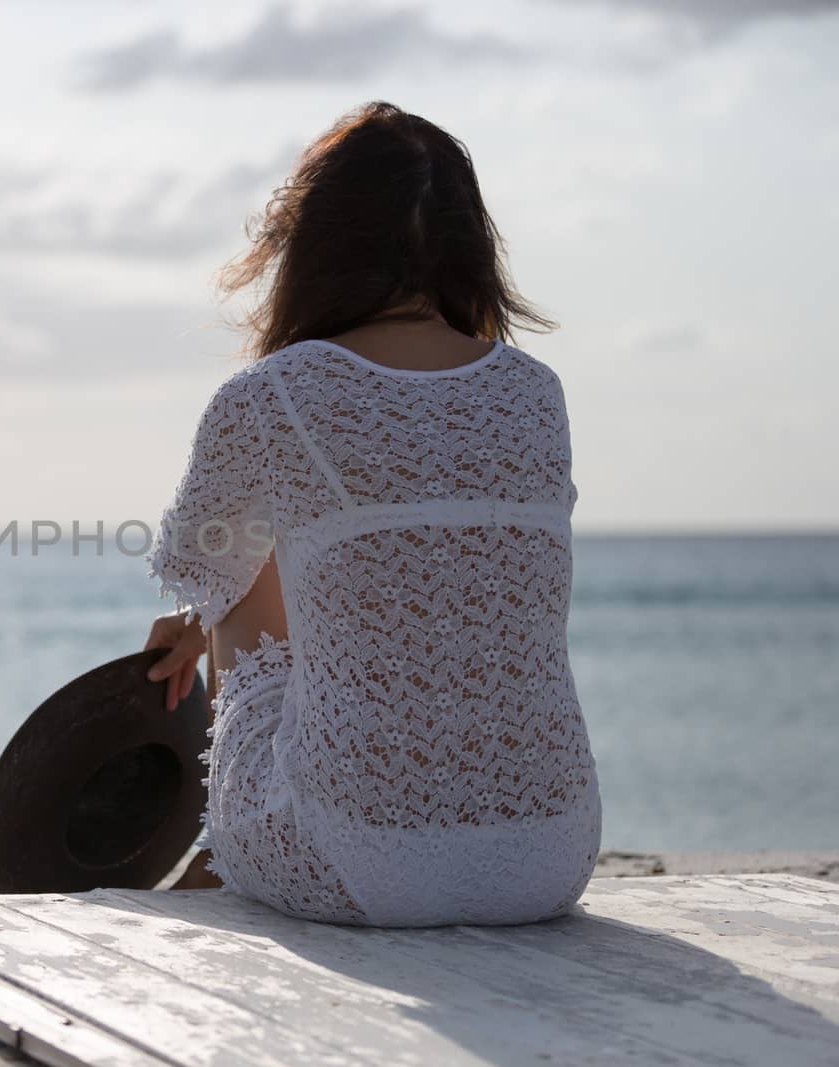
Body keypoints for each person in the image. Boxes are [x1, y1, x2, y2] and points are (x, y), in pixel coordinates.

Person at [142, 100, 602, 926]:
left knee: (244, 568)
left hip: (355, 861)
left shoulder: (272, 395)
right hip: (551, 856)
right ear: (471, 250)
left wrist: (198, 613)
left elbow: (208, 562)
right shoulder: (538, 393)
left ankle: (222, 853)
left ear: (315, 244)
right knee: (320, 533)